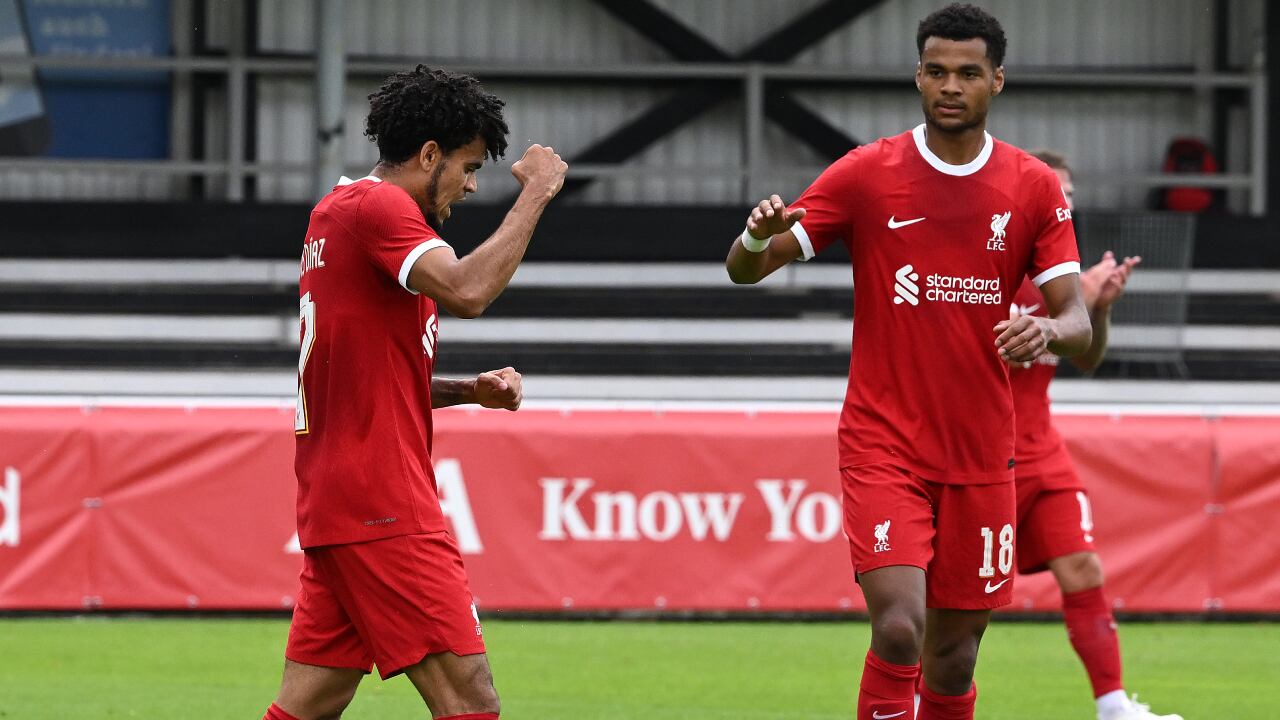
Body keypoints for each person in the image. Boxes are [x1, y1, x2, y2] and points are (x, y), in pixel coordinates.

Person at [725, 5, 1093, 719]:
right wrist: (751, 235)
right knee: (899, 629)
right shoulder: (867, 174)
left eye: (967, 73)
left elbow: (1078, 320)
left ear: (997, 82)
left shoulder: (1032, 187)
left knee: (952, 663)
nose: (949, 86)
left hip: (985, 452)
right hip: (884, 441)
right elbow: (747, 270)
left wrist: (1048, 330)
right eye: (936, 71)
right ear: (917, 76)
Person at [262, 65, 567, 720]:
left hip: (339, 500)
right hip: (383, 503)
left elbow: (370, 377)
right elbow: (467, 290)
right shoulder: (379, 208)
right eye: (466, 165)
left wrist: (466, 390)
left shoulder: (336, 215)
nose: (471, 183)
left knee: (307, 704)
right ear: (428, 154)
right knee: (470, 699)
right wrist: (537, 194)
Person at [1009, 151, 1179, 720]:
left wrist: (1096, 309)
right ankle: (916, 697)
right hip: (978, 454)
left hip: (1040, 449)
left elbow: (1085, 357)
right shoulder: (991, 255)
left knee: (1084, 568)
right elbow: (991, 341)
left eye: (1069, 194)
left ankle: (1112, 706)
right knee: (958, 596)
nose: (1061, 202)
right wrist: (1066, 300)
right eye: (1052, 190)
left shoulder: (1061, 270)